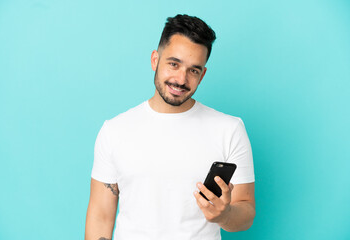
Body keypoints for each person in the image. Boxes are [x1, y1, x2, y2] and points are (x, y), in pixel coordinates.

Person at [85, 14, 255, 240]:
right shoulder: (115, 130)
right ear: (155, 60)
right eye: (173, 64)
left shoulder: (229, 129)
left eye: (193, 70)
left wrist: (224, 215)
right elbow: (100, 217)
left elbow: (246, 212)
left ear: (202, 74)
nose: (181, 79)